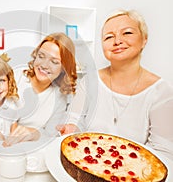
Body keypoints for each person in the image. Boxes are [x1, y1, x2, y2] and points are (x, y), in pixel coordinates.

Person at [63, 9, 173, 161]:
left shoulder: (161, 92)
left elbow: (163, 154)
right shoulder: (88, 82)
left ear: (144, 39)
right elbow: (74, 120)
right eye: (109, 37)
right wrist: (71, 128)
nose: (117, 41)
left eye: (127, 33)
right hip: (88, 161)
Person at [3, 32, 79, 147]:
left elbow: (50, 135)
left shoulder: (60, 98)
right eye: (41, 56)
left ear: (63, 69)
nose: (44, 65)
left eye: (54, 62)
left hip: (32, 151)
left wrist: (34, 133)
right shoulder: (14, 78)